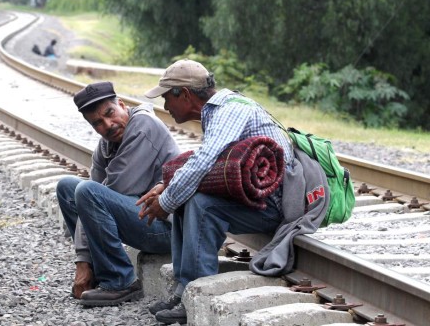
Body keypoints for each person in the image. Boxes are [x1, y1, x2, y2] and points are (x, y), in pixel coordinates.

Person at [137, 59, 329, 324]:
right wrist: (168, 187)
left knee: (200, 204)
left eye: (167, 97)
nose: (165, 105)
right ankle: (183, 290)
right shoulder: (219, 110)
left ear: (186, 94)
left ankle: (195, 291)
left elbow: (204, 161)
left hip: (276, 204)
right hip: (261, 196)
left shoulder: (229, 111)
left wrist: (166, 201)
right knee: (188, 196)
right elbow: (209, 164)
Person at [56, 81, 181, 307]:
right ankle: (98, 269)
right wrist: (84, 259)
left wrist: (81, 262)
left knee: (87, 192)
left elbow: (100, 194)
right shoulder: (106, 146)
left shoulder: (143, 126)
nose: (108, 125)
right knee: (67, 187)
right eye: (98, 123)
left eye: (110, 113)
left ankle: (120, 280)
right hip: (142, 217)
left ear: (122, 105)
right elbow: (91, 198)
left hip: (168, 228)